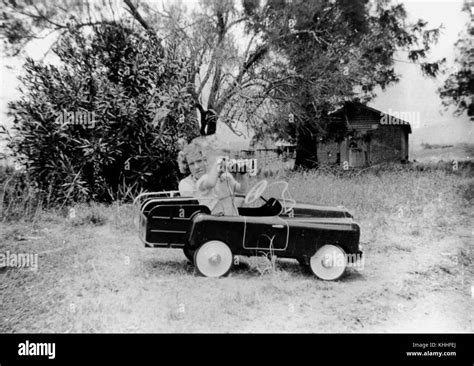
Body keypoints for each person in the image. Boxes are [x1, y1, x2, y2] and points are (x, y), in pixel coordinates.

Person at [177, 136, 248, 215]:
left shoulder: (225, 177)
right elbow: (210, 183)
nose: (196, 167)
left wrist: (242, 173)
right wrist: (218, 163)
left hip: (232, 220)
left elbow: (242, 189)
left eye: (199, 161)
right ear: (187, 166)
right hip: (213, 222)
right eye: (191, 164)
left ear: (206, 160)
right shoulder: (201, 181)